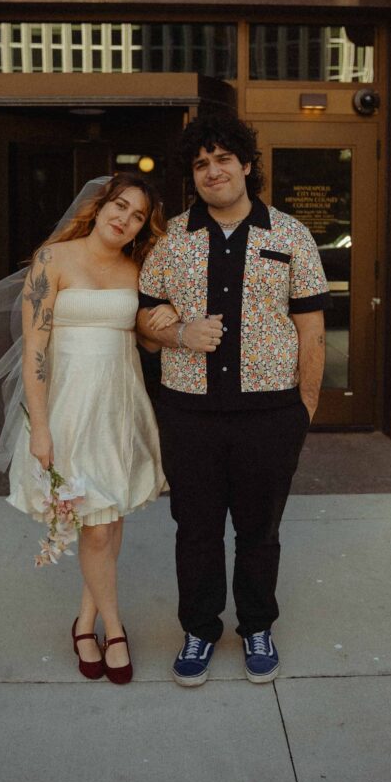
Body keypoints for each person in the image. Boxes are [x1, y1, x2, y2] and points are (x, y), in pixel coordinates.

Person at [0, 173, 176, 685]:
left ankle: (84, 621)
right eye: (120, 206)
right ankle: (114, 630)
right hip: (66, 408)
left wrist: (165, 322)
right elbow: (35, 349)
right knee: (94, 526)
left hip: (119, 405)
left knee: (108, 521)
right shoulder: (54, 261)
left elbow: (147, 344)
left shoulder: (138, 268)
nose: (125, 220)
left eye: (137, 216)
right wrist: (40, 428)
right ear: (100, 205)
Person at [137, 114, 330, 687]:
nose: (213, 171)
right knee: (194, 529)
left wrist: (305, 410)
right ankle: (199, 628)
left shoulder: (291, 234)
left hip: (270, 415)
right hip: (188, 413)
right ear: (191, 176)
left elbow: (312, 330)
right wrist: (178, 334)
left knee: (259, 529)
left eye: (223, 159)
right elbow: (145, 321)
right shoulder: (171, 238)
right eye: (201, 163)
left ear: (247, 165)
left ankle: (256, 626)